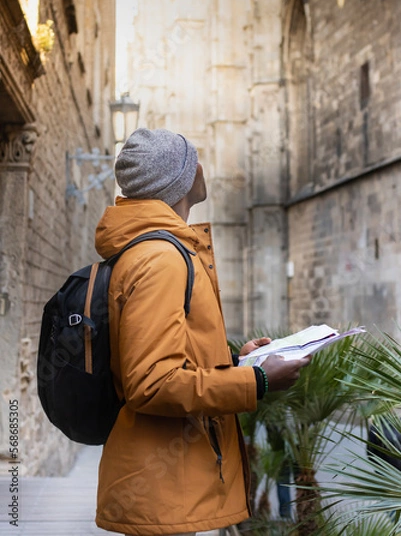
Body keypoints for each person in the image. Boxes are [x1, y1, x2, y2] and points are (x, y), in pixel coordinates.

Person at [94, 128, 310, 536]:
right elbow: (153, 383)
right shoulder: (161, 259)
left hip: (167, 483)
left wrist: (234, 362)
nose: (201, 166)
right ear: (180, 179)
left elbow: (165, 356)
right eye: (193, 159)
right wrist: (258, 380)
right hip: (162, 484)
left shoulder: (154, 250)